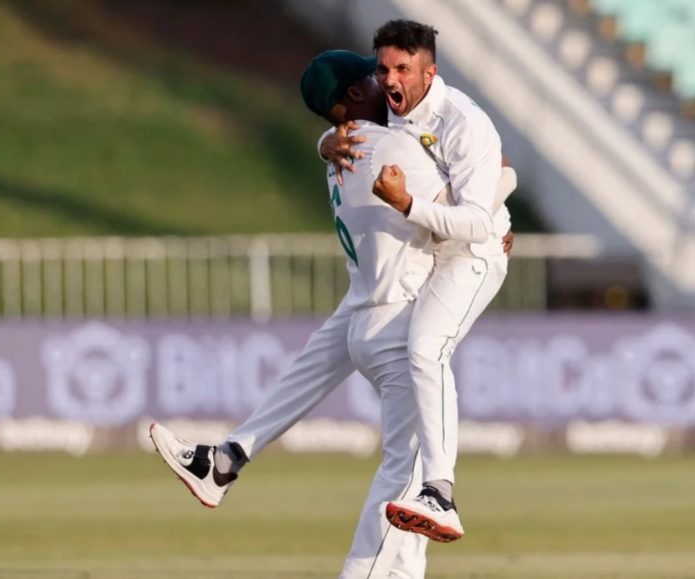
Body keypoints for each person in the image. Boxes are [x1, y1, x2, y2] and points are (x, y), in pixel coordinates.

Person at [150, 49, 514, 578]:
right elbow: (465, 217)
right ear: (351, 96)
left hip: (364, 313)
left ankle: (227, 457)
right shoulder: (391, 147)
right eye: (373, 75)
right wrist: (501, 195)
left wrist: (325, 139)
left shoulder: (342, 154)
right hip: (399, 324)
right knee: (406, 482)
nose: (385, 80)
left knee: (323, 375)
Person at [320, 20, 511, 542]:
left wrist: (408, 204)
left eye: (402, 69)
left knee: (425, 347)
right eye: (383, 69)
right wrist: (325, 142)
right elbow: (345, 123)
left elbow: (476, 221)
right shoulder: (388, 105)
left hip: (477, 251)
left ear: (430, 72)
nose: (390, 80)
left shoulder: (464, 121)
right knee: (400, 348)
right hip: (436, 253)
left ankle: (441, 493)